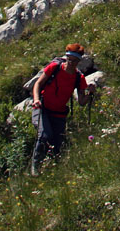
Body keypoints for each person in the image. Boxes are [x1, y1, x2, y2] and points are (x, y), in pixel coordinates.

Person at [30, 43, 94, 174]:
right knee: (44, 135)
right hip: (43, 109)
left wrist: (90, 93)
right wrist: (36, 99)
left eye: (75, 61)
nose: (71, 63)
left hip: (59, 114)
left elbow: (81, 102)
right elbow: (38, 84)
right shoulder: (54, 68)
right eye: (69, 59)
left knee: (57, 146)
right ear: (66, 58)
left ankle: (52, 171)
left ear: (79, 62)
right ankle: (35, 168)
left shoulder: (79, 78)